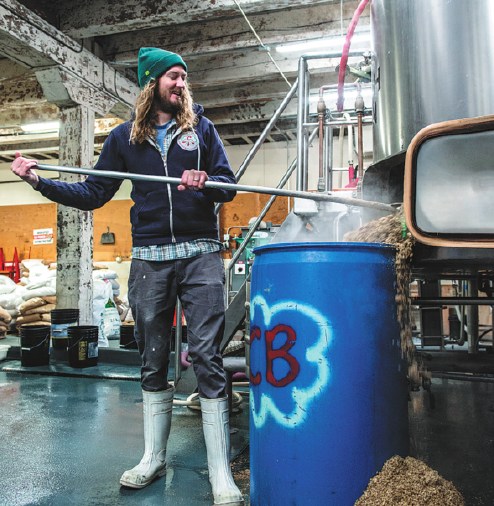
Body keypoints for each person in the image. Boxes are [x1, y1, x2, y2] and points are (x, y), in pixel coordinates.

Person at [11, 47, 243, 505]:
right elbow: (93, 193)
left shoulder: (202, 130)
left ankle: (221, 474)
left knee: (208, 357)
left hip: (200, 256)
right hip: (150, 259)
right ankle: (153, 457)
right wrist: (39, 182)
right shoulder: (123, 139)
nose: (181, 84)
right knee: (152, 357)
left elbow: (228, 184)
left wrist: (207, 183)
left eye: (184, 78)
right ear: (152, 83)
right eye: (173, 77)